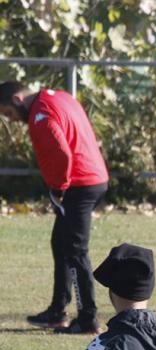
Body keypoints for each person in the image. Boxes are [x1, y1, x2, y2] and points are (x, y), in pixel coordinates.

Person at [0, 81, 109, 334]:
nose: (13, 120)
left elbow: (61, 153)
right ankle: (57, 311)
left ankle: (87, 318)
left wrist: (59, 188)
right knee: (61, 243)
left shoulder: (40, 115)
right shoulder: (60, 97)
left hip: (78, 184)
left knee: (74, 250)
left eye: (8, 113)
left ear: (17, 99)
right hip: (92, 178)